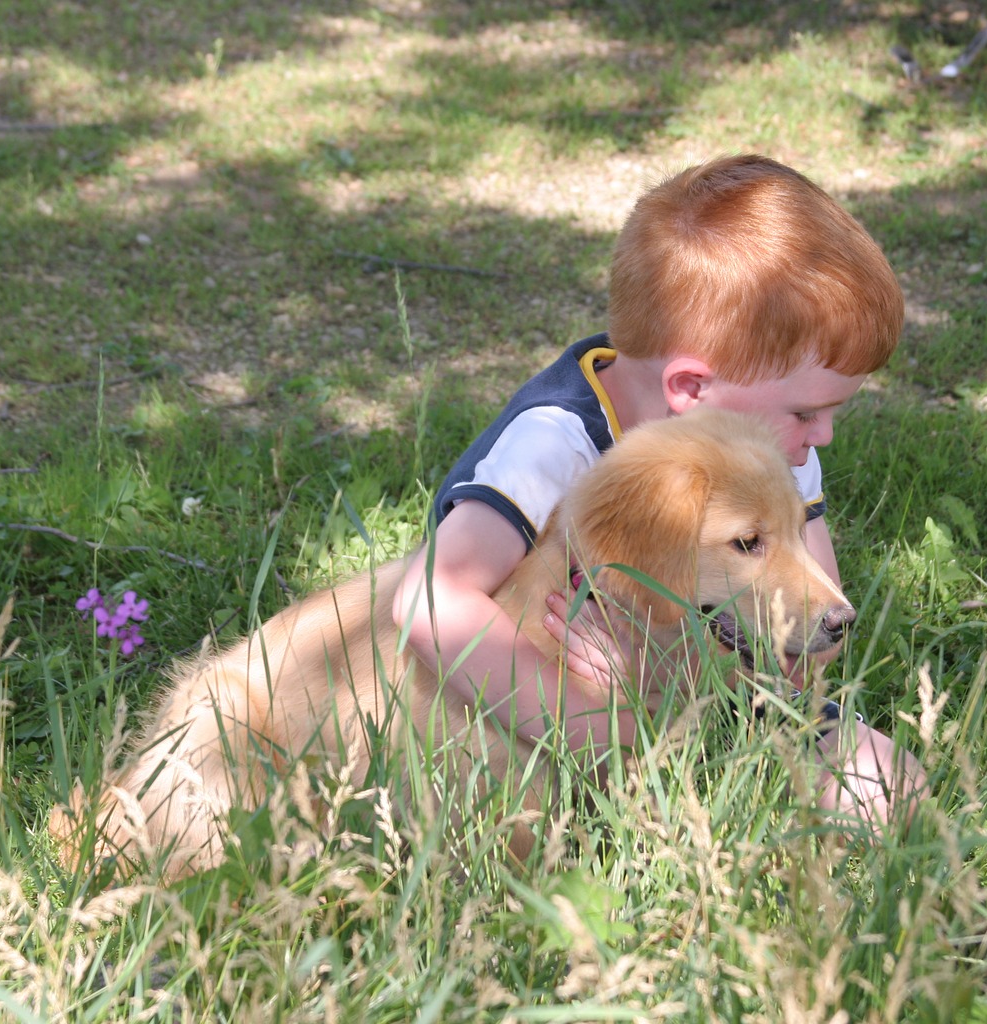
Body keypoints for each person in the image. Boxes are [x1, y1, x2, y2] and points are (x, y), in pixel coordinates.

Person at [393, 154, 925, 833]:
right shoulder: (557, 442)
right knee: (544, 827)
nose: (821, 435)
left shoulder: (772, 450)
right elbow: (429, 600)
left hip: (725, 689)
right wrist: (601, 728)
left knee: (890, 791)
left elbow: (810, 641)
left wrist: (693, 685)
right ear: (693, 391)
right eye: (804, 412)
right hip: (554, 707)